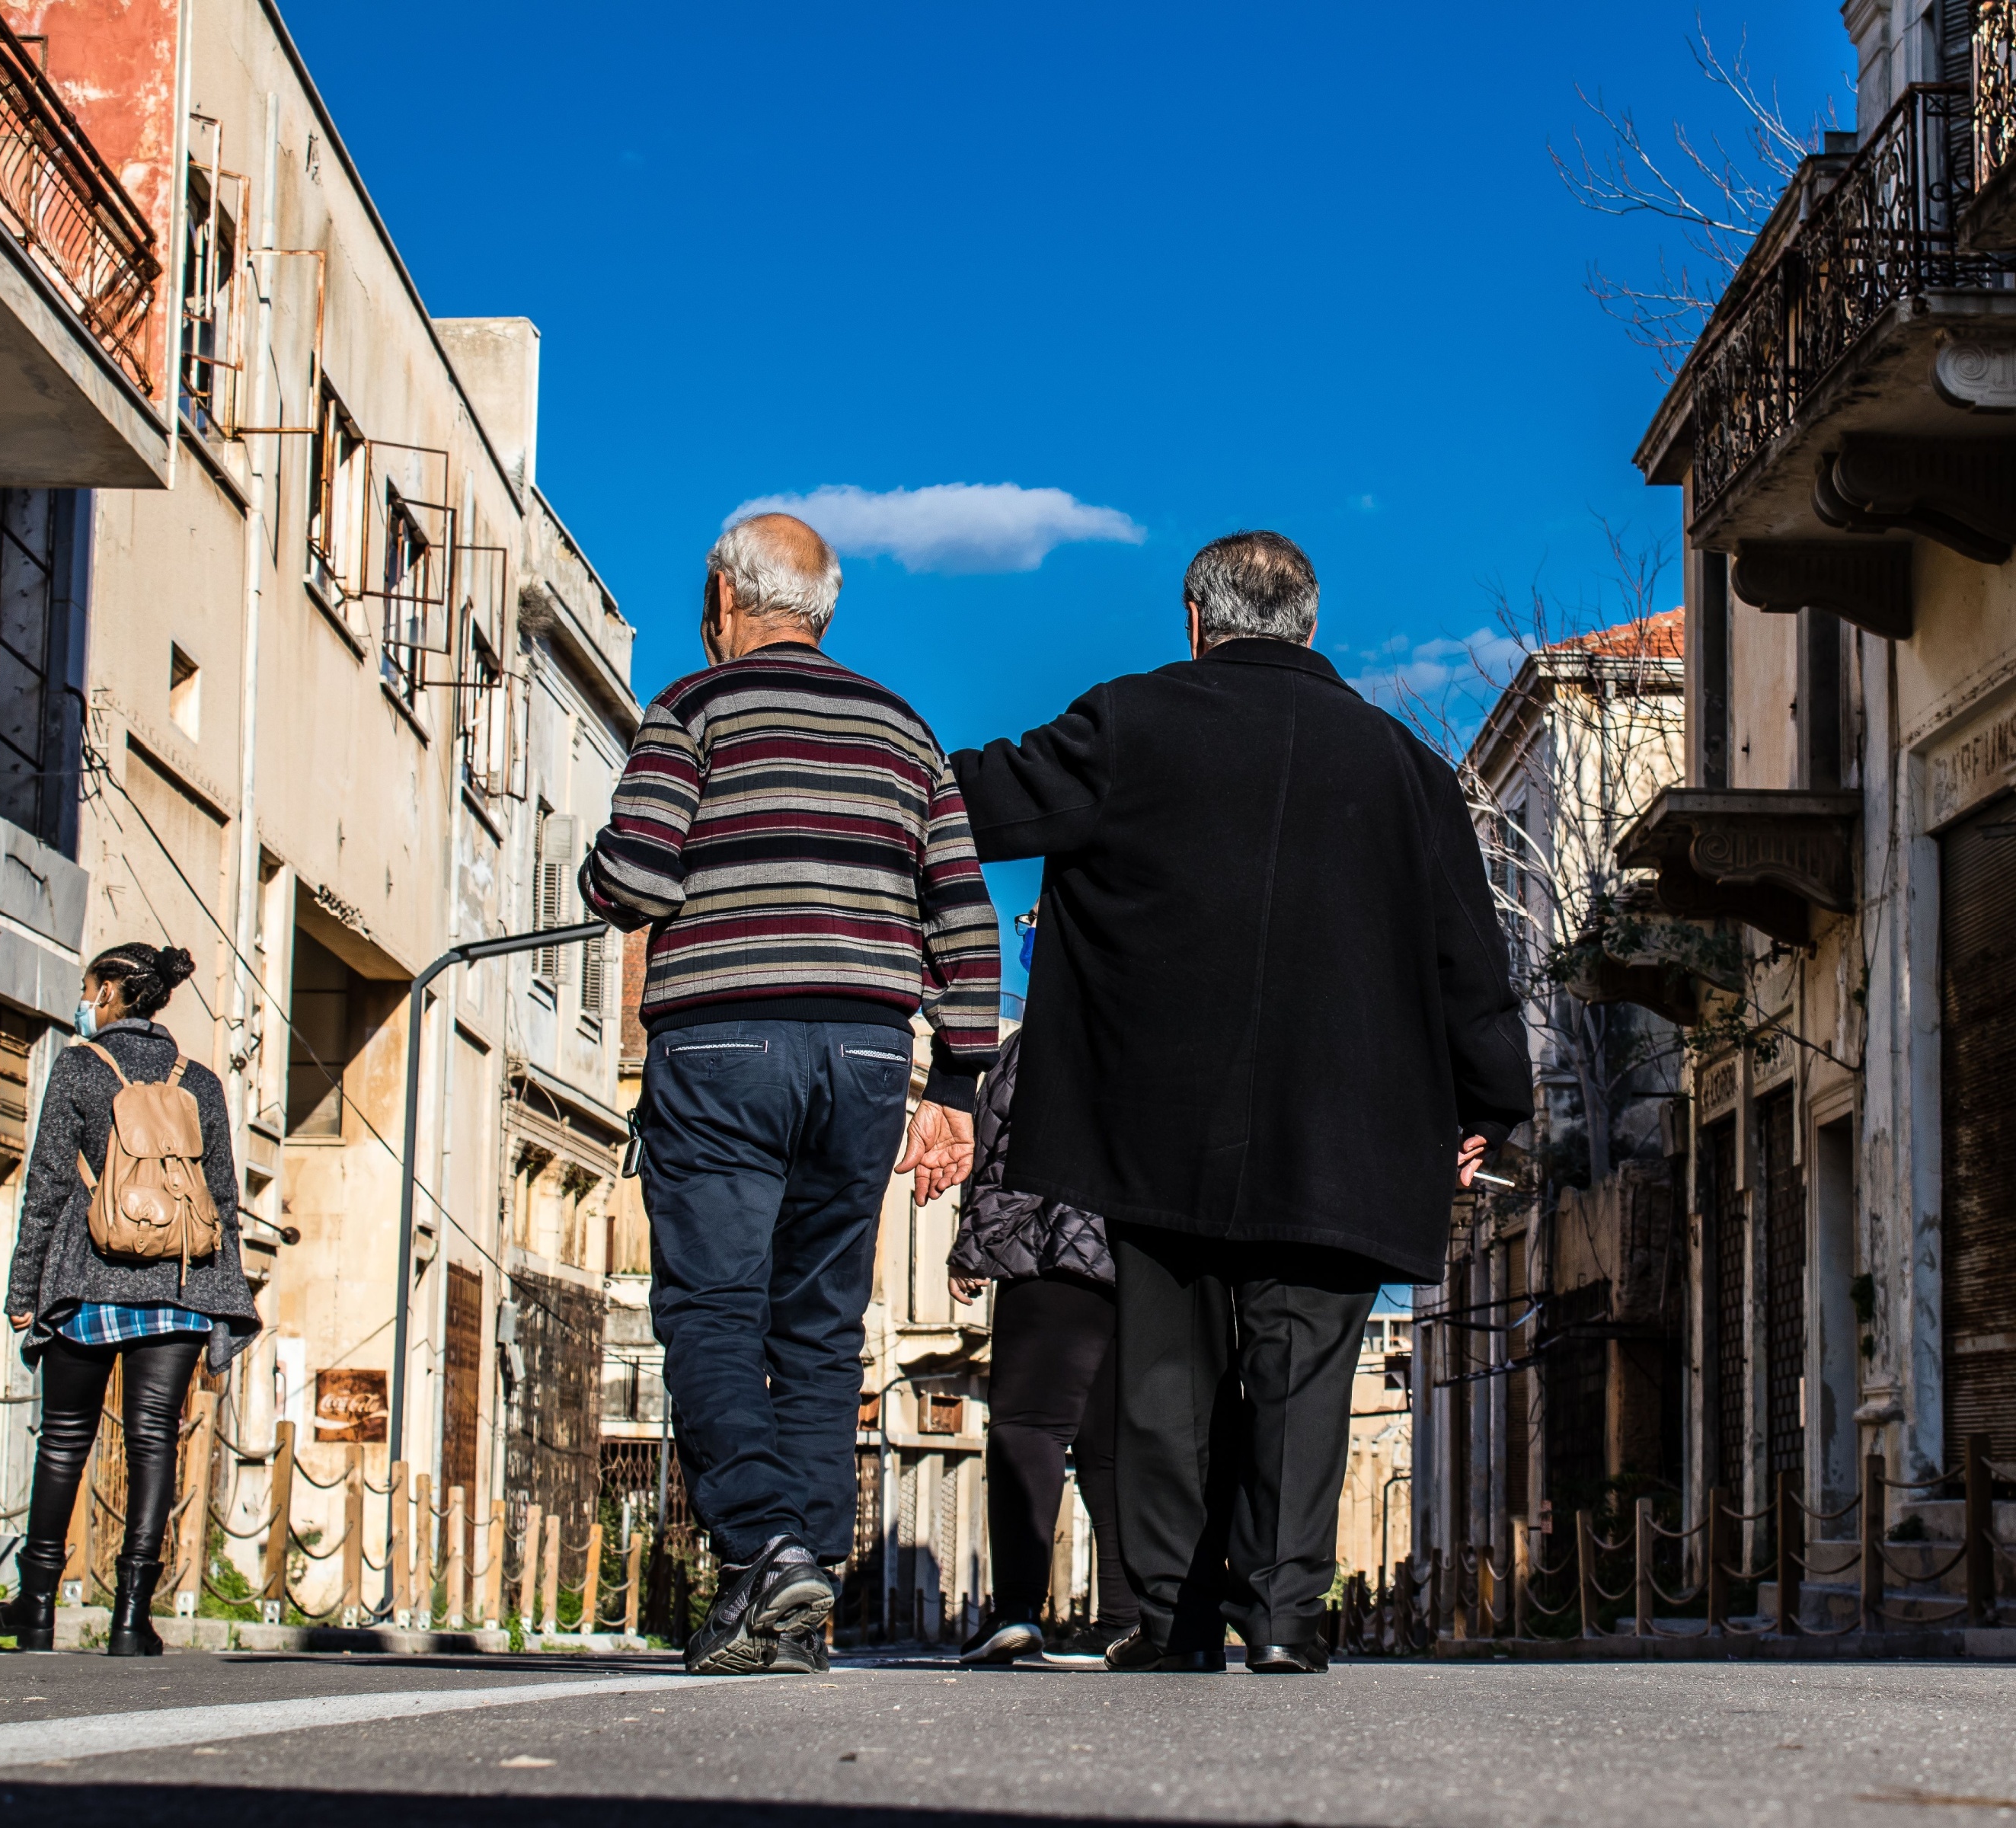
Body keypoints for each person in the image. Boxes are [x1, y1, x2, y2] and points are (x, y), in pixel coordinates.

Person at [949, 530, 1530, 1674]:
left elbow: (970, 800)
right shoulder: (1406, 768)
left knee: (1165, 1373)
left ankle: (1172, 1622)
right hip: (1348, 1133)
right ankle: (1283, 1619)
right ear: (1311, 625)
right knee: (1306, 1374)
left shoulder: (1124, 723)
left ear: (1195, 619)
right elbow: (1470, 956)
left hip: (1153, 1123)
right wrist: (1488, 1104)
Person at [581, 512, 999, 1676]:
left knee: (711, 1312)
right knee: (819, 1330)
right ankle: (800, 1590)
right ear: (826, 610)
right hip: (867, 1057)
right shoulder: (907, 731)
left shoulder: (692, 709)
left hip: (724, 1043)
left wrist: (597, 869)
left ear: (723, 596)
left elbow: (639, 871)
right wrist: (958, 1084)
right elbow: (962, 916)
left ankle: (764, 1545)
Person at [0, 943, 260, 1656]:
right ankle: (133, 1617)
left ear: (111, 992)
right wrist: (223, 1302)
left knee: (64, 1444)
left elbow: (47, 1185)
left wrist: (25, 1290)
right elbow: (223, 1199)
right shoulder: (199, 1080)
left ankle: (38, 1605)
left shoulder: (80, 1067)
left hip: (88, 1283)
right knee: (152, 1444)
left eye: (91, 988)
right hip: (177, 1289)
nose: (87, 1001)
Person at [948, 1026, 1140, 1666]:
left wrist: (977, 1245)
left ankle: (1018, 1610)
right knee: (1110, 1446)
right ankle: (1121, 1619)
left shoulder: (1050, 1036)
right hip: (1146, 1261)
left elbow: (1014, 1149)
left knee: (1027, 1424)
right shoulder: (1182, 1018)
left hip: (1057, 1249)